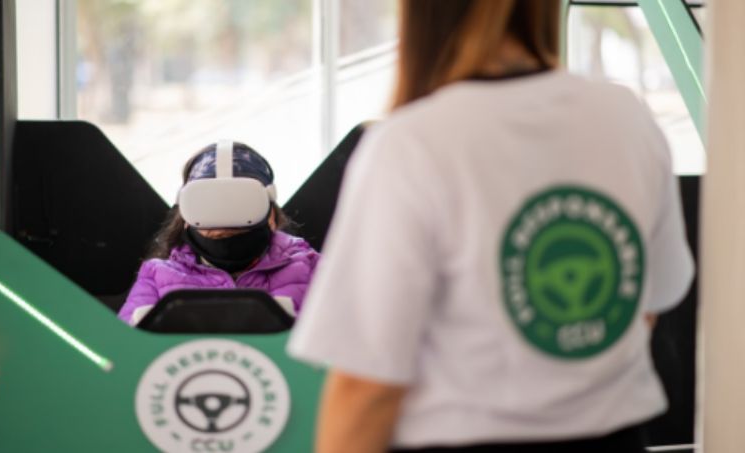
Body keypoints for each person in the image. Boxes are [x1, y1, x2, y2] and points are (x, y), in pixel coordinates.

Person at [288, 1, 694, 452]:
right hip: (615, 437)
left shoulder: (411, 143)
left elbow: (367, 387)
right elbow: (645, 305)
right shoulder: (627, 119)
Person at [118, 141, 319, 325]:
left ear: (271, 215)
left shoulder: (313, 269)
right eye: (208, 205)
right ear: (186, 218)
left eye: (241, 204)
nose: (223, 221)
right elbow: (126, 345)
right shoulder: (156, 276)